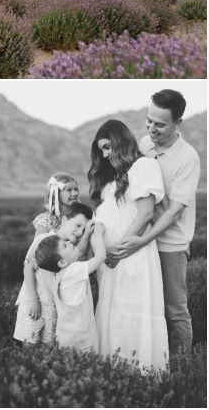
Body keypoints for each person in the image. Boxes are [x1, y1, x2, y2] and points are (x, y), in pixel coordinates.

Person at [122, 89, 200, 356]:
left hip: (170, 245)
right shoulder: (144, 144)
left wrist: (143, 239)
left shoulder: (187, 158)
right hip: (143, 240)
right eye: (149, 120)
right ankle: (154, 357)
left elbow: (174, 211)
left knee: (175, 309)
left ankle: (181, 367)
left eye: (160, 124)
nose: (151, 128)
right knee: (148, 305)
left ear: (177, 123)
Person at [90, 119, 168, 370]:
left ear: (121, 141)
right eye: (101, 149)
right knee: (112, 313)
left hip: (131, 255)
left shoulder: (144, 165)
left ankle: (139, 373)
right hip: (111, 260)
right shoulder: (113, 177)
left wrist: (120, 251)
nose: (104, 154)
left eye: (108, 147)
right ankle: (115, 373)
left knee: (131, 311)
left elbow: (145, 215)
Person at [13, 173, 92, 345]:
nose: (74, 193)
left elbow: (79, 254)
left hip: (58, 288)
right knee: (31, 334)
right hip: (41, 287)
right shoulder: (46, 221)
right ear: (55, 193)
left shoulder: (79, 221)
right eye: (68, 189)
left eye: (76, 188)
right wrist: (34, 298)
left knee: (49, 338)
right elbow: (34, 260)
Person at [35, 220, 109, 352]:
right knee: (87, 365)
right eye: (64, 245)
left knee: (70, 367)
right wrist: (98, 234)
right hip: (82, 335)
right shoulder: (74, 270)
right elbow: (101, 257)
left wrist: (86, 235)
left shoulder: (59, 276)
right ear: (62, 262)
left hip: (65, 335)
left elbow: (83, 257)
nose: (69, 242)